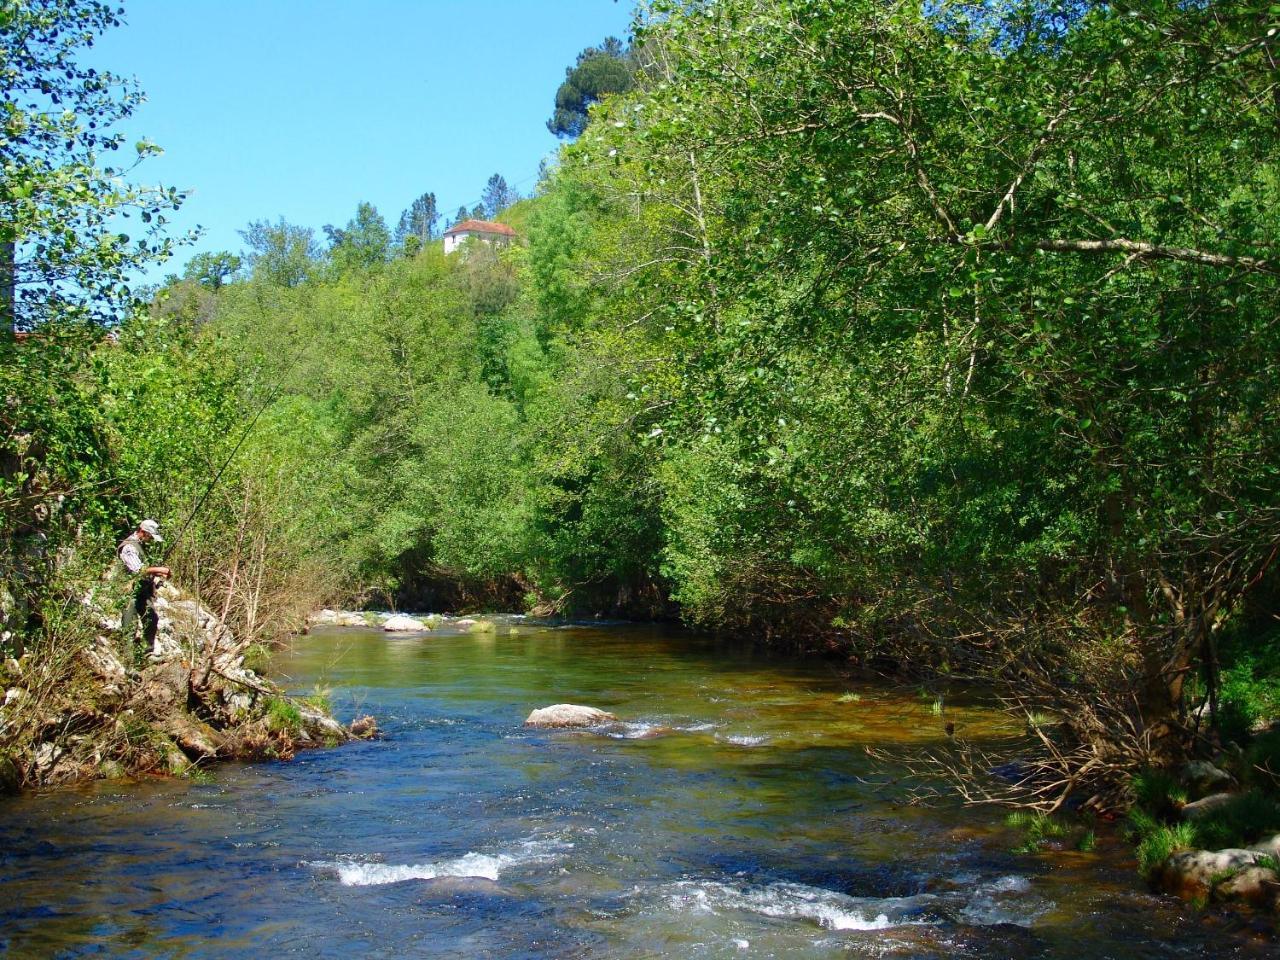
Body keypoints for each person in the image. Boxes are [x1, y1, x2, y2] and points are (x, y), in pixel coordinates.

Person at [117, 519, 171, 660]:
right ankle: (128, 664)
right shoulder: (129, 547)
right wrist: (159, 569)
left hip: (141, 592)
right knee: (130, 625)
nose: (151, 540)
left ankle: (148, 653)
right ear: (143, 532)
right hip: (130, 594)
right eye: (150, 536)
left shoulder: (140, 546)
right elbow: (138, 570)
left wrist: (157, 576)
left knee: (151, 618)